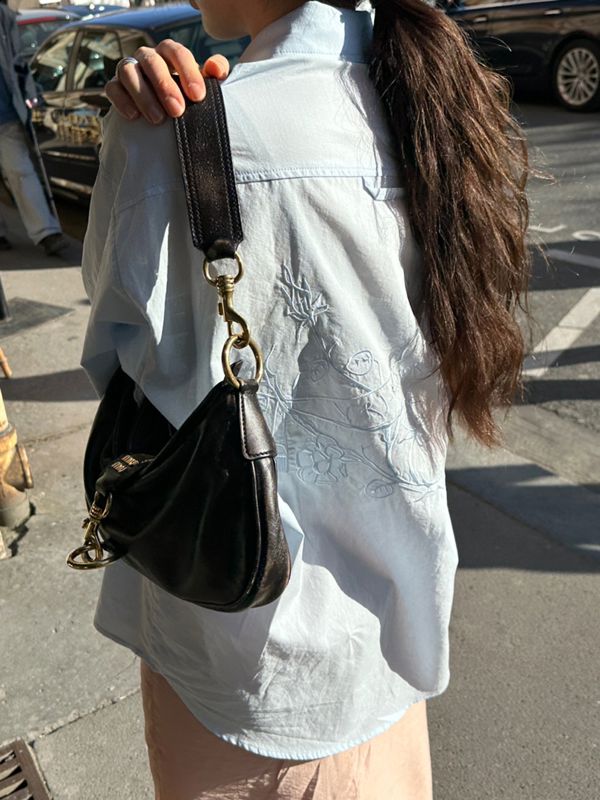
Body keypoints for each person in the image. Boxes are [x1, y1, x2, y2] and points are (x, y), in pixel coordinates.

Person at [82, 1, 531, 797]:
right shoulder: (436, 96)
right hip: (391, 651)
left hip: (238, 663)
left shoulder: (169, 135)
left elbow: (117, 364)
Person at [0, 0, 67, 255]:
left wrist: (29, 92)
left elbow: (18, 62)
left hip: (6, 113)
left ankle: (46, 232)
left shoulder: (3, 16)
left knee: (21, 172)